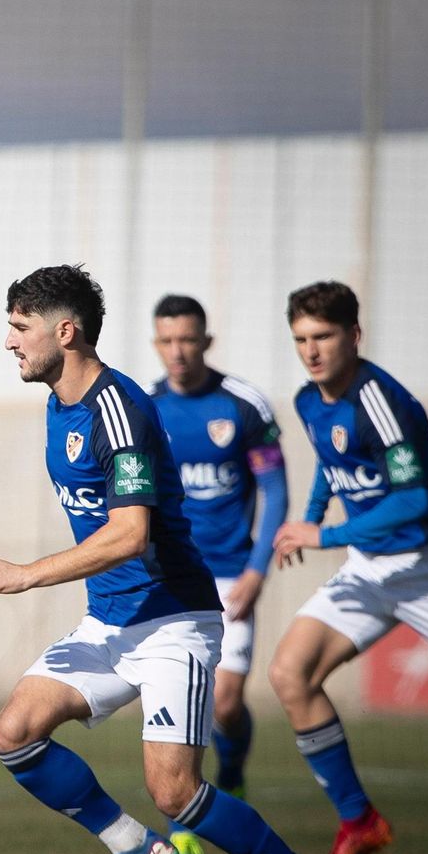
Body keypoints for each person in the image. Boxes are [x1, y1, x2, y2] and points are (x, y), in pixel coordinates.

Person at [0, 264, 342, 854]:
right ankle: (132, 849)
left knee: (175, 791)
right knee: (15, 733)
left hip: (173, 620)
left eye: (19, 328)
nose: (9, 341)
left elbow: (131, 534)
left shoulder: (119, 409)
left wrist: (26, 574)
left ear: (65, 332)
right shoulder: (58, 405)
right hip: (110, 621)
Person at [268, 280, 428, 854]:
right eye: (301, 339)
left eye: (323, 336)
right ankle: (359, 821)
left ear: (355, 335)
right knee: (290, 673)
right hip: (368, 570)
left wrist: (326, 534)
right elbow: (330, 461)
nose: (311, 351)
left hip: (424, 567)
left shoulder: (381, 401)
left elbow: (417, 500)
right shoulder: (309, 400)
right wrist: (311, 515)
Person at [147, 294, 288, 801]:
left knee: (225, 703)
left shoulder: (243, 405)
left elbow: (276, 491)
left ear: (206, 341)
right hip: (173, 578)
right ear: (155, 343)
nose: (177, 351)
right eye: (167, 340)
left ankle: (231, 774)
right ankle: (183, 809)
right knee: (177, 700)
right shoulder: (146, 407)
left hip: (231, 575)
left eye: (187, 339)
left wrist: (257, 570)